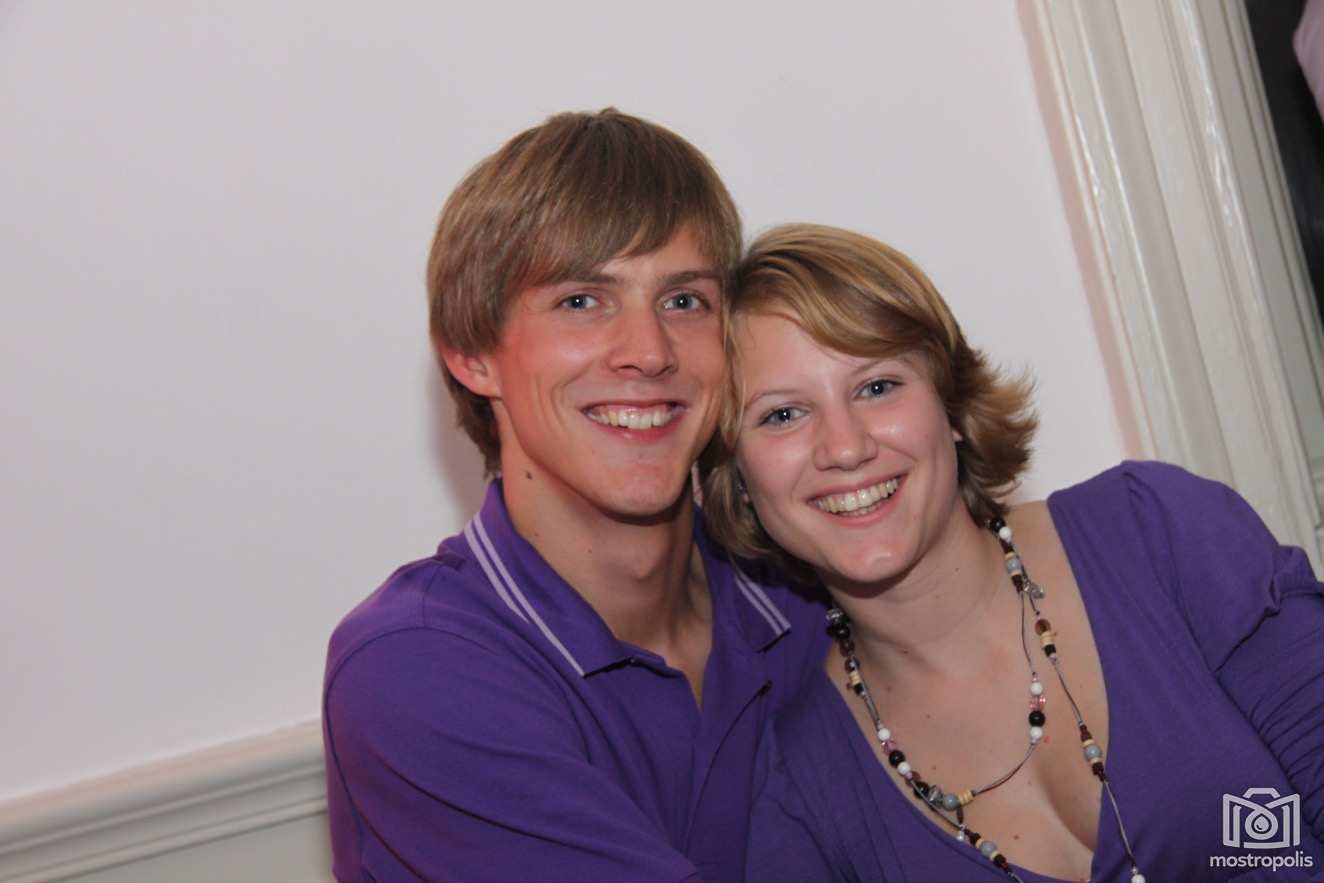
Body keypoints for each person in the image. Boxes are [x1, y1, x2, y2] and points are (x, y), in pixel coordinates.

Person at [699, 224, 1324, 882]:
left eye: (877, 386)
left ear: (951, 406)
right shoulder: (800, 794)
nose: (846, 447)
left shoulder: (1160, 534)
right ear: (736, 478)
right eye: (782, 415)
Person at [320, 110, 827, 883]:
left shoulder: (799, 590)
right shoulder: (413, 669)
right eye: (582, 301)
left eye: (684, 300)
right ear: (471, 352)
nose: (648, 352)